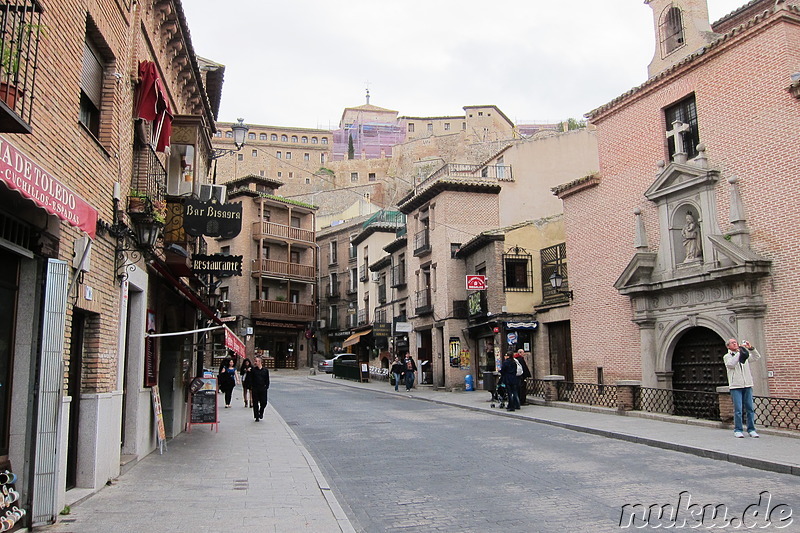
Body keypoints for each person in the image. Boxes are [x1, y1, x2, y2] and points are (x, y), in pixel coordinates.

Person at [723, 339, 761, 438]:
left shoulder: (744, 355)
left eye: (736, 342)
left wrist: (750, 348)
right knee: (738, 409)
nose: (735, 343)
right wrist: (739, 353)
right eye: (732, 343)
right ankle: (738, 429)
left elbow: (756, 357)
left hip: (747, 385)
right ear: (728, 346)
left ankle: (751, 429)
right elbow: (731, 364)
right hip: (736, 386)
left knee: (750, 408)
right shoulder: (727, 357)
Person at [250, 355, 271, 422]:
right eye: (255, 361)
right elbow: (251, 379)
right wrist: (251, 387)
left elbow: (267, 379)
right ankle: (256, 416)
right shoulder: (253, 370)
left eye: (256, 361)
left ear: (260, 362)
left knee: (264, 402)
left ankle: (261, 411)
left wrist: (266, 387)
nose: (255, 362)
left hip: (263, 388)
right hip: (255, 388)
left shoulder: (265, 370)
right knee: (255, 403)